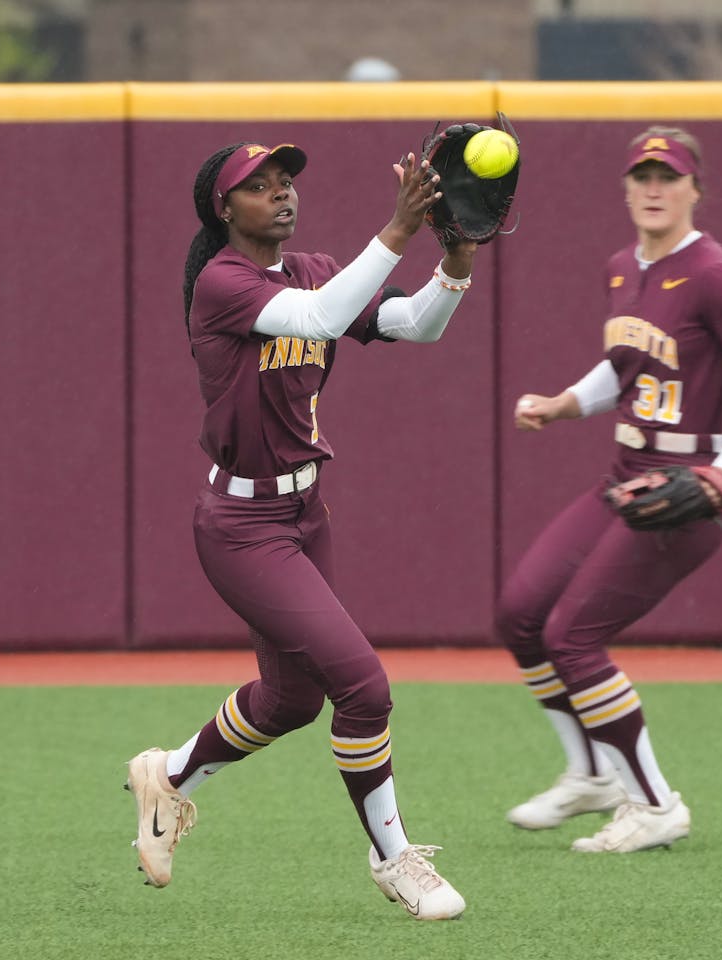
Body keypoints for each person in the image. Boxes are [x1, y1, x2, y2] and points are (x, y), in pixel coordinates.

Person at [124, 139, 478, 920]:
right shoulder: (222, 282)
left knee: (291, 701)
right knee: (364, 688)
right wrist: (397, 229)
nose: (281, 194)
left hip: (303, 514)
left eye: (286, 182)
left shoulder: (312, 268)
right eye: (259, 186)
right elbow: (319, 318)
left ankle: (169, 778)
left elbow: (418, 325)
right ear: (224, 209)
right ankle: (395, 861)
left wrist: (453, 259)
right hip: (243, 525)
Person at [496, 126, 722, 853]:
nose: (655, 188)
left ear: (696, 188)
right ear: (626, 188)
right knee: (522, 615)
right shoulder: (621, 267)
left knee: (574, 637)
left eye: (670, 175)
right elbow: (625, 368)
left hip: (682, 492)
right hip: (623, 480)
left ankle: (656, 806)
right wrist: (565, 403)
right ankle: (593, 772)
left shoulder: (716, 273)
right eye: (643, 176)